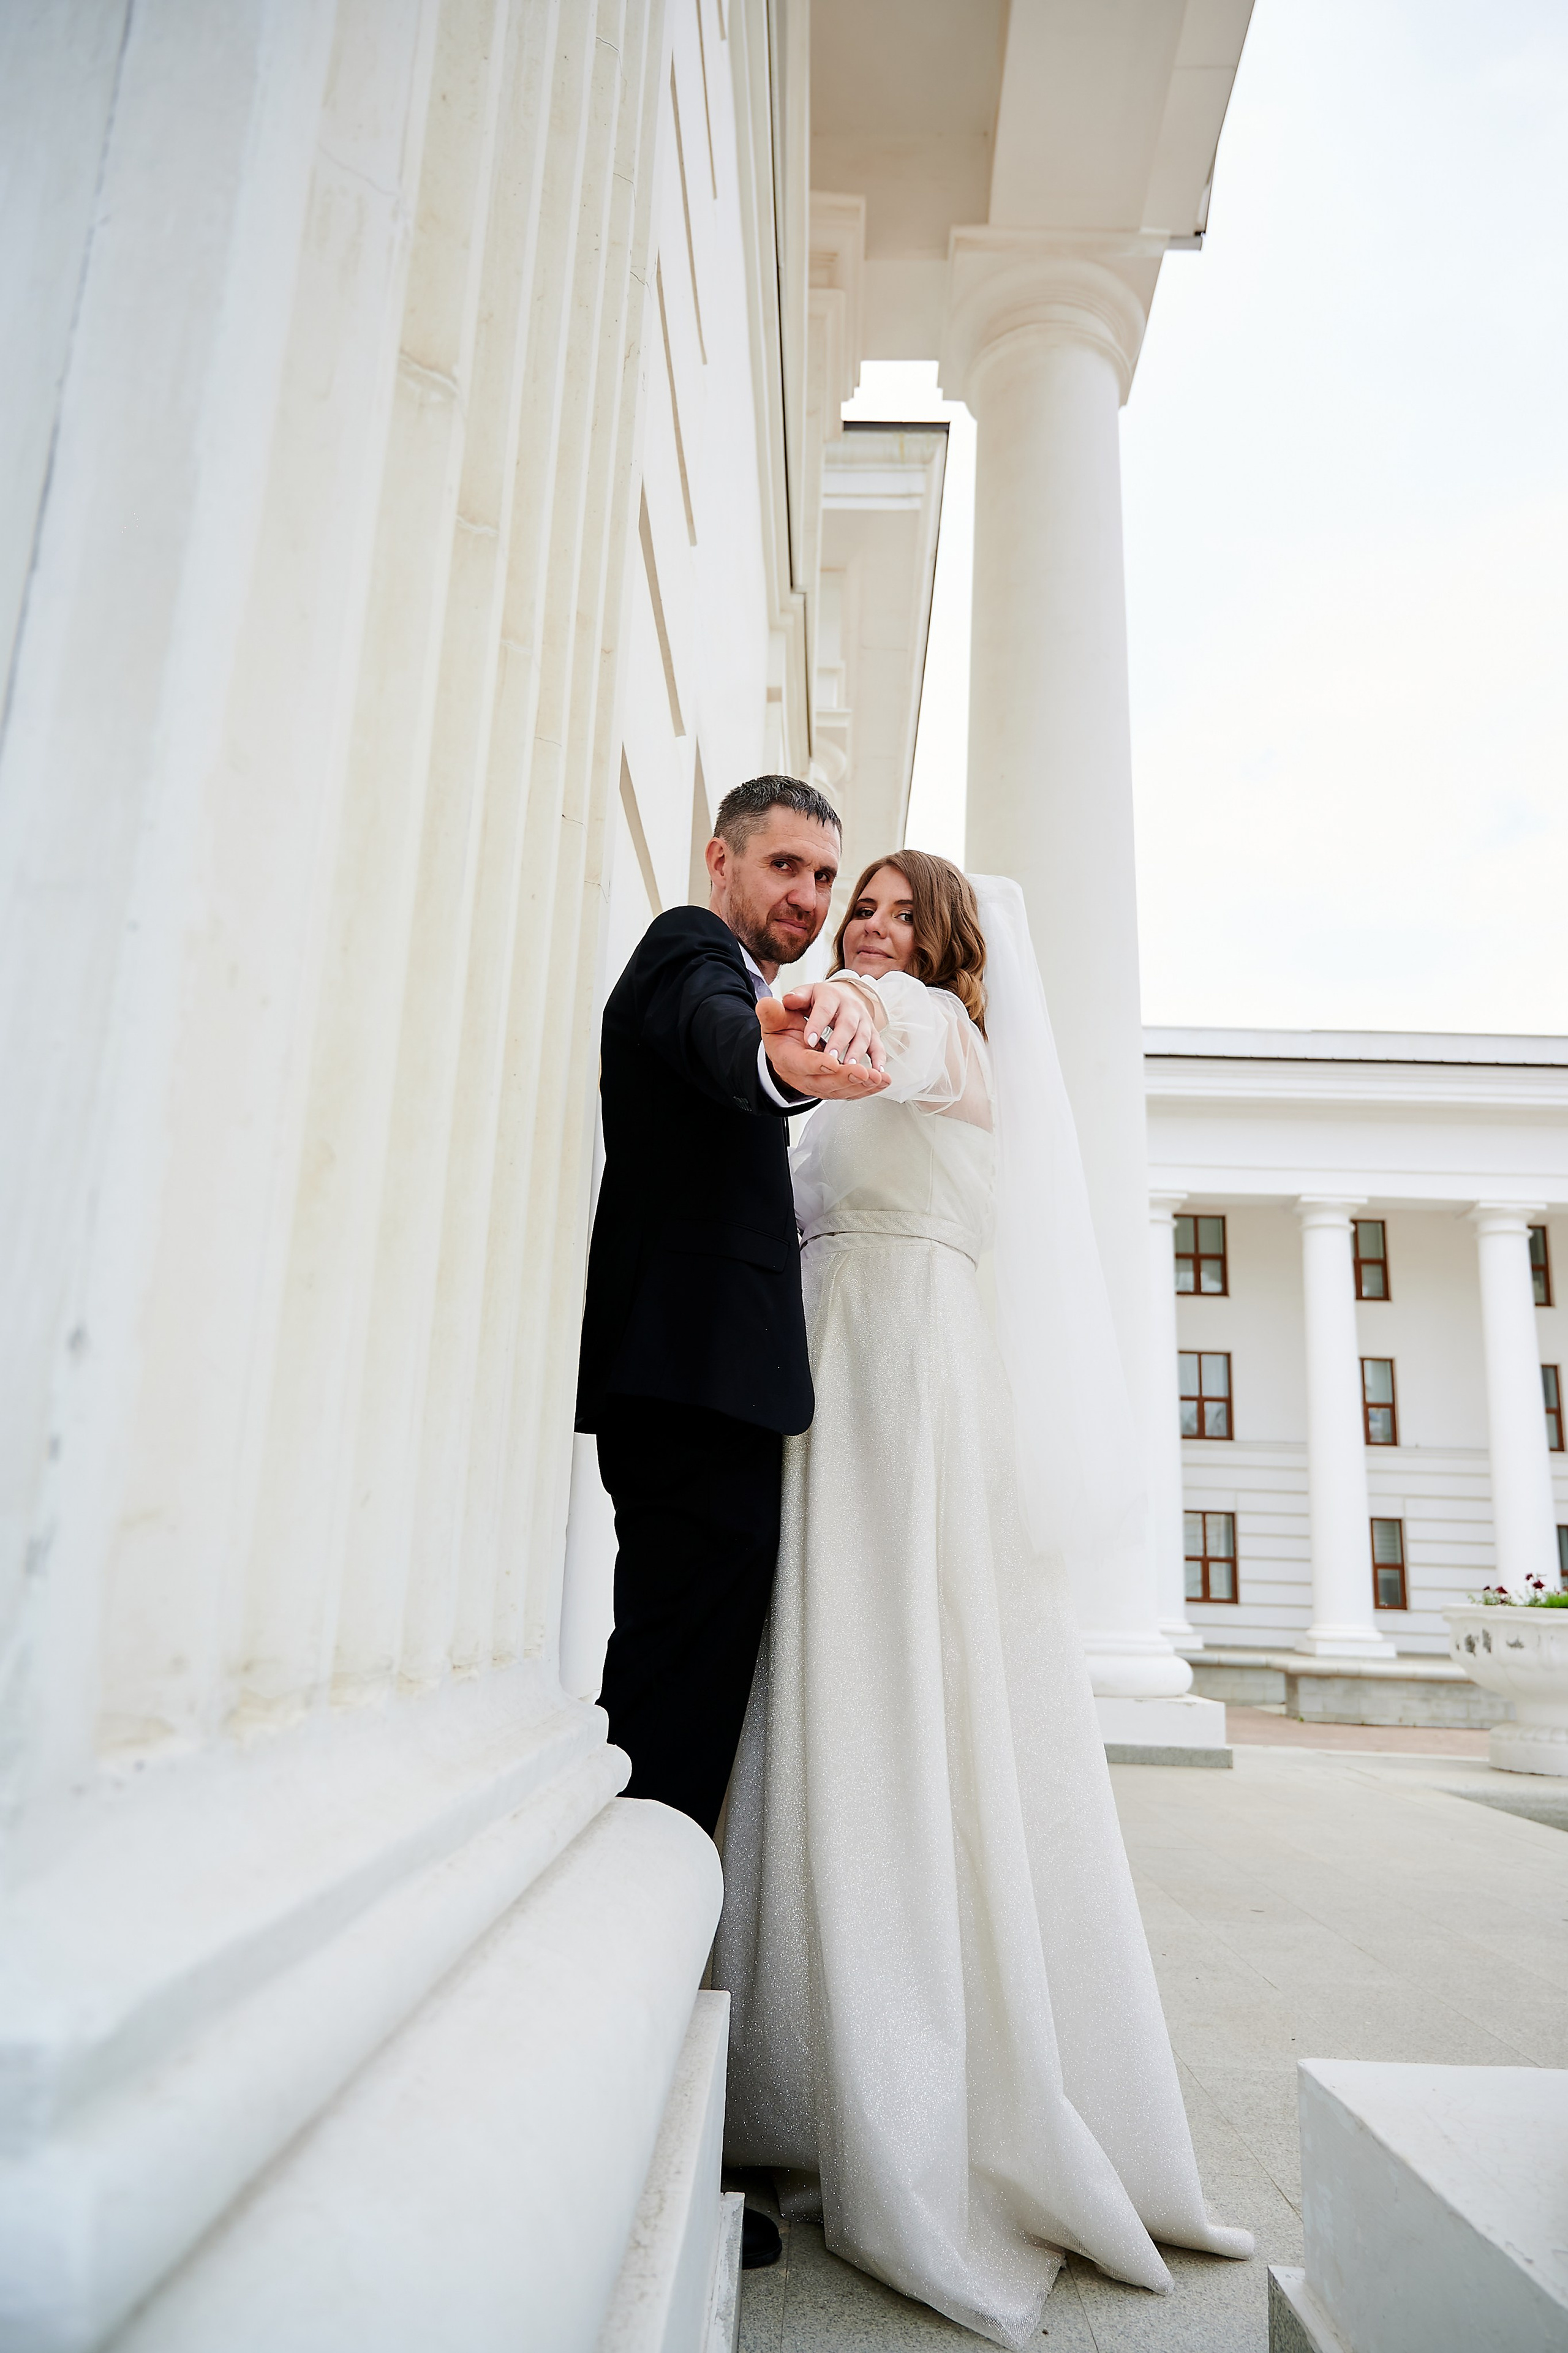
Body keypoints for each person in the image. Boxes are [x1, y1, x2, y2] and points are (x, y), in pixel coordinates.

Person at [714, 852, 1253, 2346]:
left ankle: (915, 2085)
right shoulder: (865, 1034)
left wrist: (777, 1000)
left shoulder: (928, 1026)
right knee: (821, 1674)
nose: (868, 925)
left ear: (941, 937)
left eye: (891, 907)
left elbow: (853, 1051)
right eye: (856, 906)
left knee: (891, 1668)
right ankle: (805, 2066)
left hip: (901, 1368)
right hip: (826, 1354)